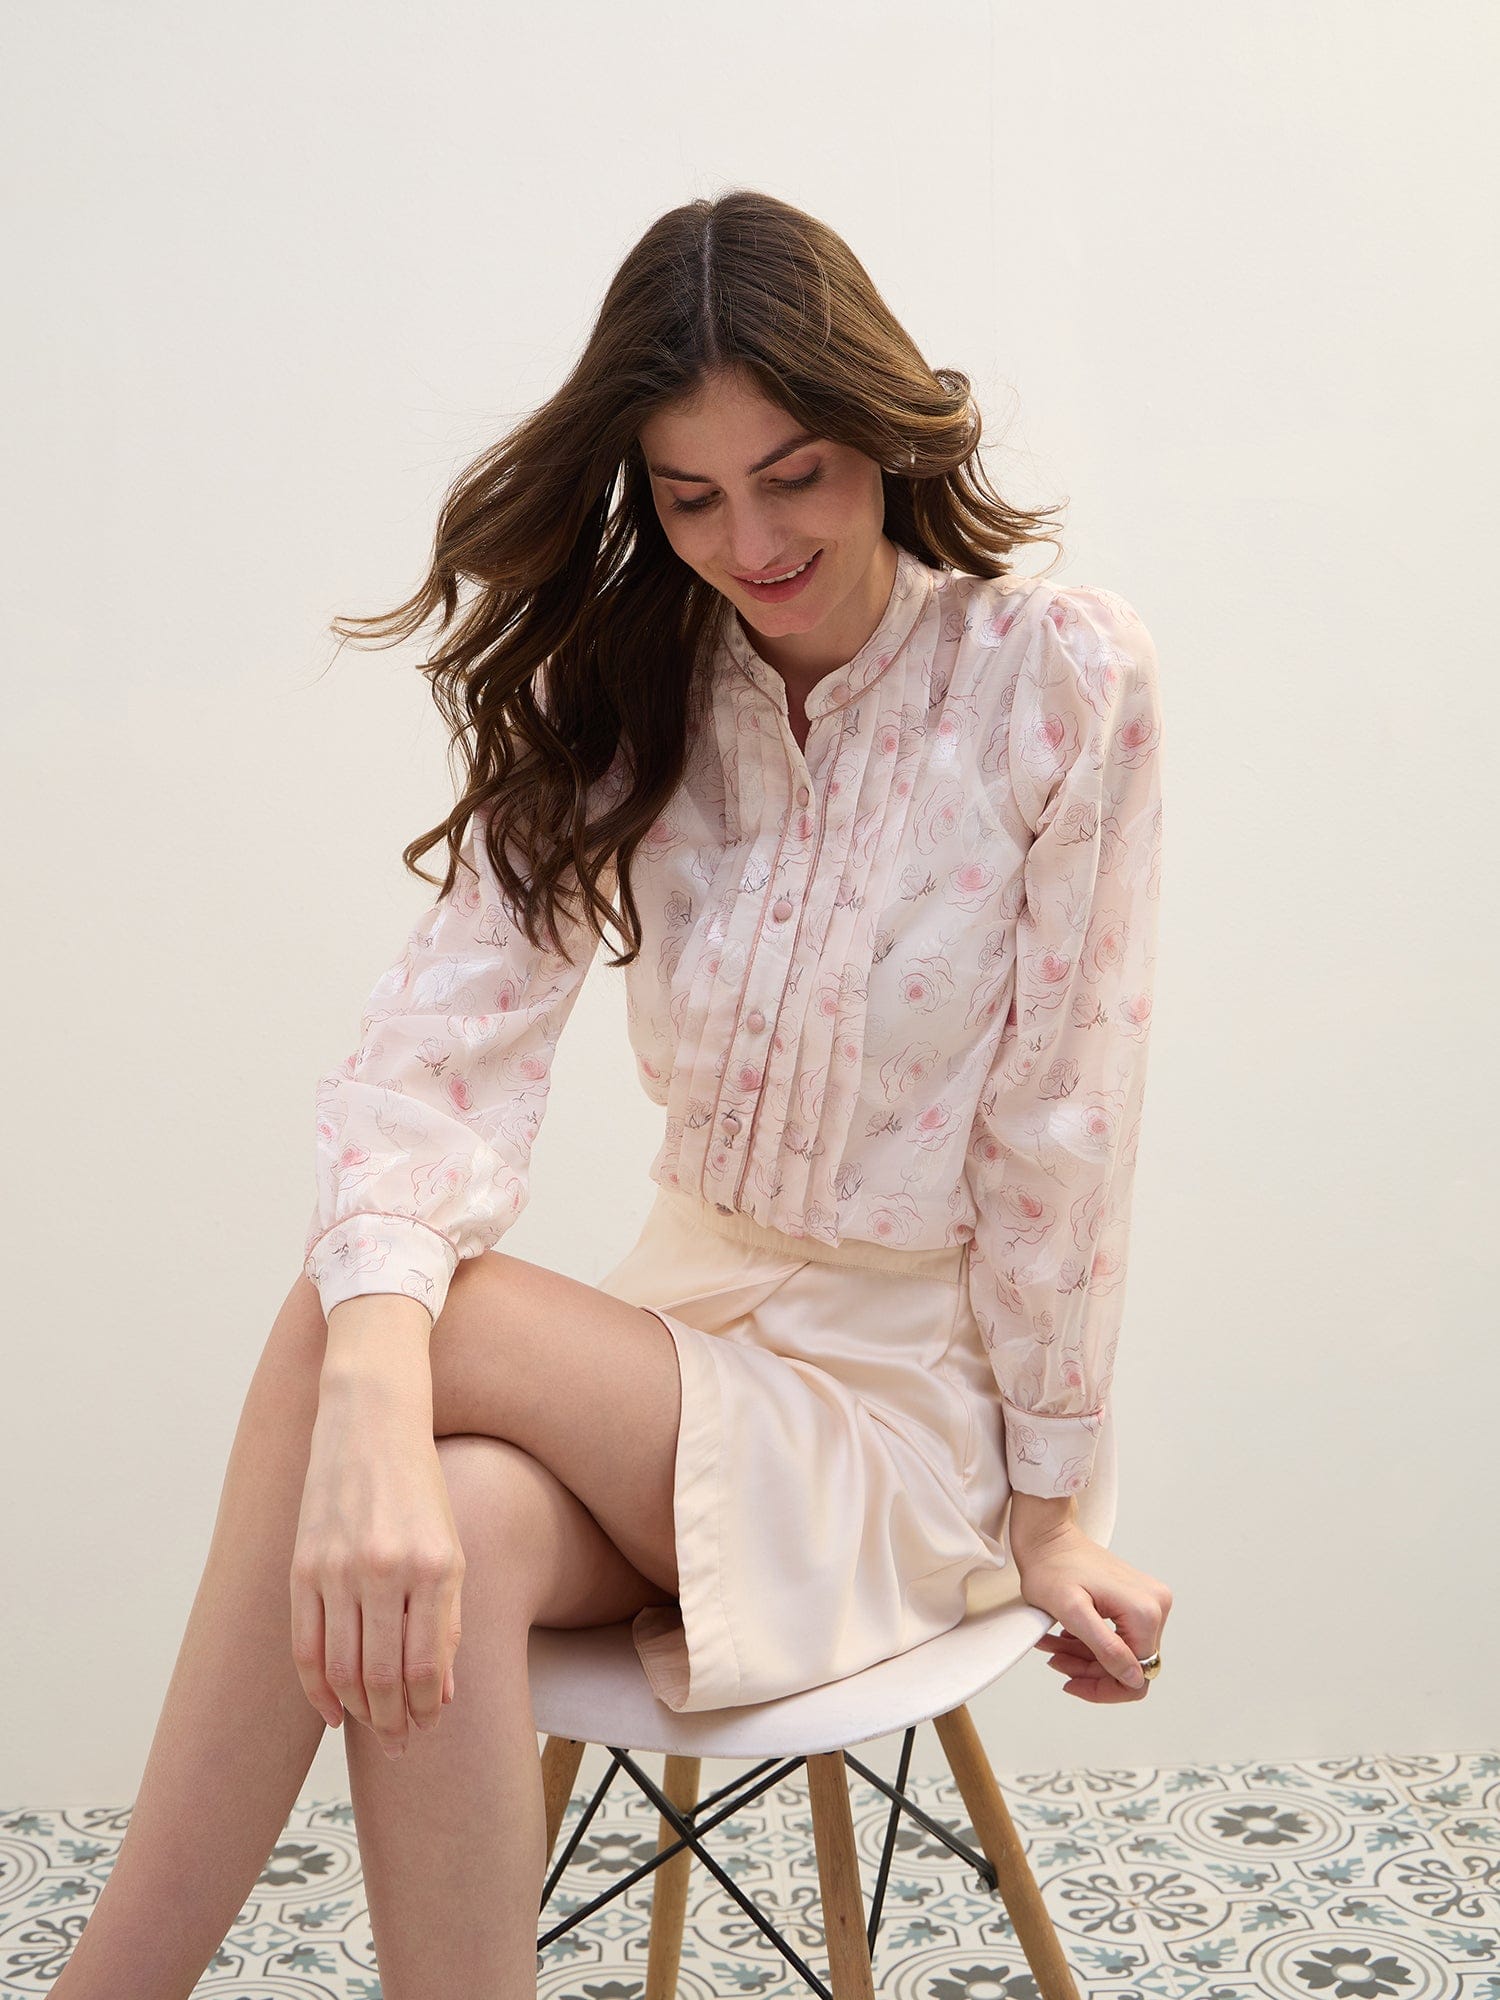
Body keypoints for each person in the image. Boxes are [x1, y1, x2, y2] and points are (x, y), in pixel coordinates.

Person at [49, 189, 1172, 1996]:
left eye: (796, 475)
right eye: (692, 497)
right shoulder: (637, 692)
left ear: (881, 435)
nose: (754, 540)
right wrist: (377, 1443)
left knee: (380, 1330)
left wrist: (1055, 1512)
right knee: (449, 1510)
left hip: (902, 1414)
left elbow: (1066, 1124)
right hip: (689, 1354)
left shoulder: (1052, 677)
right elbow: (436, 1048)